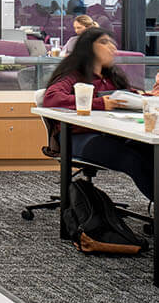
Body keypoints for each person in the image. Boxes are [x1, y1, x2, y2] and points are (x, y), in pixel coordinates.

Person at [43, 27, 159, 200]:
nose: (112, 47)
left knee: (151, 151)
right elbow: (51, 98)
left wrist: (150, 97)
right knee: (132, 160)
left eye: (112, 43)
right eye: (104, 42)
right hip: (77, 136)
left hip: (112, 134)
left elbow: (132, 97)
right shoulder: (74, 75)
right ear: (88, 47)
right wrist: (100, 103)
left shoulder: (111, 77)